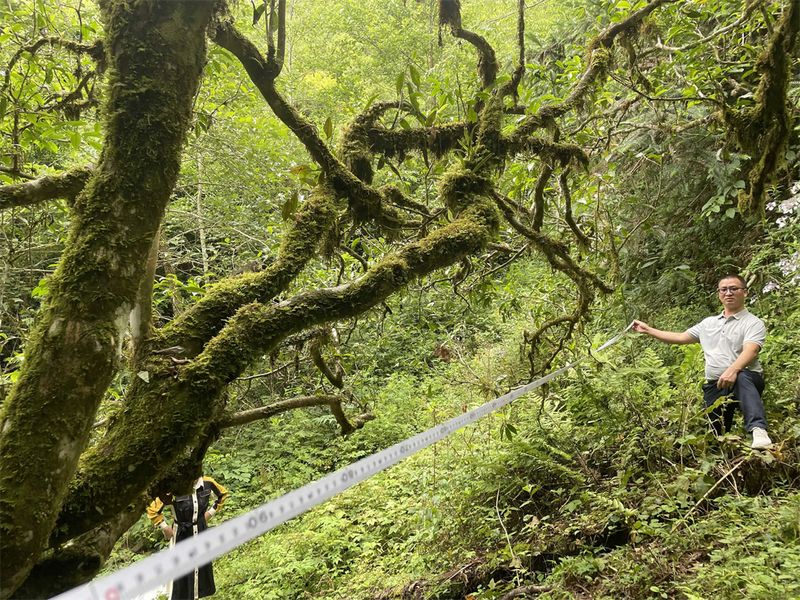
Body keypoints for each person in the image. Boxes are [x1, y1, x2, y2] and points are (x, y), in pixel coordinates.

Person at [632, 274, 772, 449]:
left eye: (734, 289)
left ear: (745, 292)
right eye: (724, 289)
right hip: (715, 384)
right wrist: (648, 330)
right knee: (715, 435)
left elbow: (751, 350)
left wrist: (732, 370)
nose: (728, 293)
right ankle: (723, 453)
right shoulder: (708, 323)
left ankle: (759, 431)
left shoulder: (753, 323)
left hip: (746, 379)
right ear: (719, 294)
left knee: (742, 377)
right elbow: (680, 337)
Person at [146, 475, 230, 600]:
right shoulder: (174, 487)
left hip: (201, 531)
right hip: (182, 534)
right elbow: (152, 509)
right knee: (181, 575)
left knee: (200, 569)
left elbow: (223, 494)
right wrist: (165, 527)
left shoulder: (207, 482)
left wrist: (209, 513)